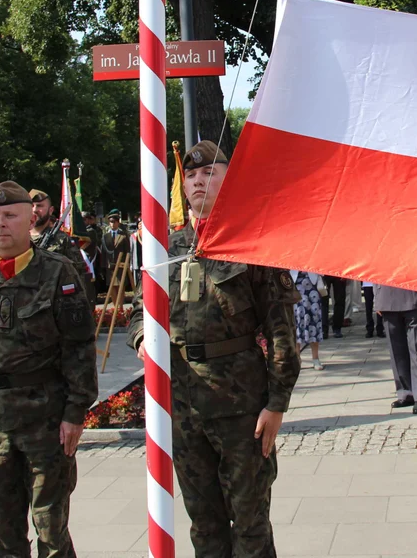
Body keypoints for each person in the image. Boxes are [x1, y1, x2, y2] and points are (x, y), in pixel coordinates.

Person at [126, 140, 301, 557]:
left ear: (229, 179)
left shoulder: (253, 241)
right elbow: (139, 307)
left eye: (210, 173)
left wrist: (276, 403)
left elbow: (281, 331)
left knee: (250, 520)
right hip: (183, 404)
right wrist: (140, 338)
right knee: (203, 522)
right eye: (192, 175)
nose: (199, 181)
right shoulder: (165, 246)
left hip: (240, 404)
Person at [0, 181, 97, 558]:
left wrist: (75, 413)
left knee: (51, 528)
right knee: (1, 527)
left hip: (45, 418)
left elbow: (78, 347)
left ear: (30, 218)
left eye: (9, 216)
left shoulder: (58, 272)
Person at [374, 285, 417, 414]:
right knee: (397, 352)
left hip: (414, 298)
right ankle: (405, 393)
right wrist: (378, 299)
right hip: (387, 299)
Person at [293, 271, 325, 370]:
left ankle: (315, 359)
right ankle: (297, 359)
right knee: (295, 322)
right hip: (294, 286)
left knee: (314, 322)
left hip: (312, 286)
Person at [101, 209, 129, 282]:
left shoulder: (123, 235)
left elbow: (127, 250)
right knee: (111, 286)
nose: (112, 224)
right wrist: (103, 266)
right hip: (110, 265)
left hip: (120, 264)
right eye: (111, 222)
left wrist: (127, 262)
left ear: (118, 222)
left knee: (120, 286)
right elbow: (103, 251)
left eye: (114, 222)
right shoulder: (105, 236)